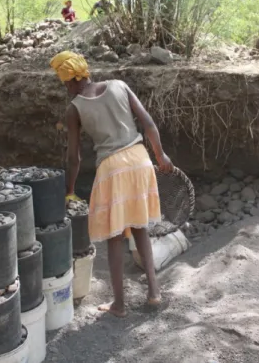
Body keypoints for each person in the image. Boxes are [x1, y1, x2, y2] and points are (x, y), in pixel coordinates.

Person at [50, 51, 174, 317]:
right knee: (140, 227)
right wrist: (160, 155)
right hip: (140, 161)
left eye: (64, 83)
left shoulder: (75, 108)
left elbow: (74, 158)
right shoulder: (119, 85)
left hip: (113, 169)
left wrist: (69, 191)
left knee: (115, 238)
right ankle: (154, 292)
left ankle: (119, 304)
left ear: (69, 81)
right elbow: (148, 122)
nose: (66, 88)